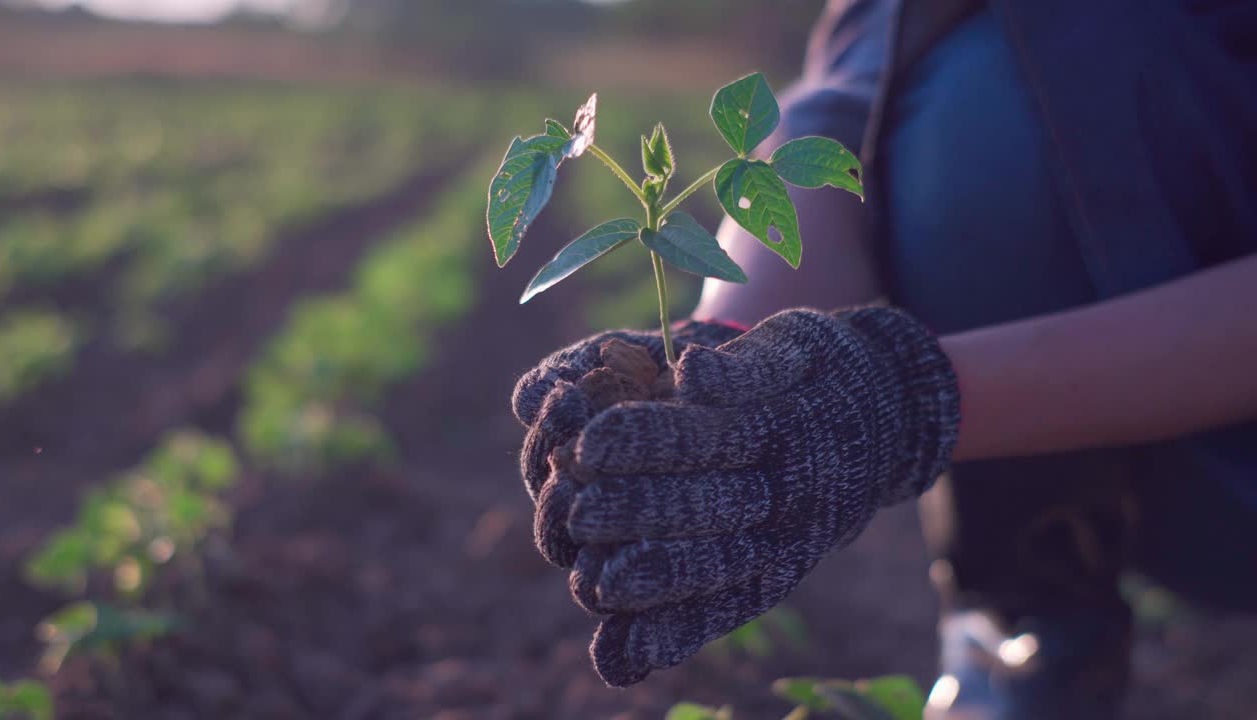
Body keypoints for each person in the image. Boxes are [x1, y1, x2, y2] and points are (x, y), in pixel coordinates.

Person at [510, 0, 1257, 717]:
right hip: (1149, 446)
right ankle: (1028, 612)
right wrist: (735, 350)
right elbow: (851, 92)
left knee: (1007, 83)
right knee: (972, 85)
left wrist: (908, 401)